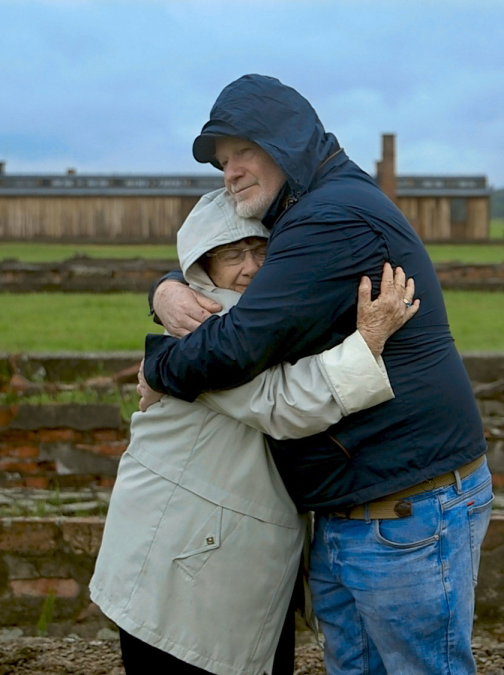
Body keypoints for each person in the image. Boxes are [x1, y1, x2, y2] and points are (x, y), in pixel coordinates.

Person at [141, 74, 492, 674]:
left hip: (404, 506)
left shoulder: (329, 218)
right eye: (223, 162)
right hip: (359, 507)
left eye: (242, 150)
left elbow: (237, 345)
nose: (230, 172)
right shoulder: (314, 210)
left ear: (287, 139)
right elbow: (226, 290)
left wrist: (158, 365)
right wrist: (163, 291)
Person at [90, 188, 420, 675]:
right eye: (231, 255)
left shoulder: (258, 317)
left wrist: (162, 287)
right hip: (184, 552)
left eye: (262, 250)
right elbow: (283, 403)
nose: (250, 267)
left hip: (209, 544)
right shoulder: (211, 326)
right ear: (203, 266)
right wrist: (368, 341)